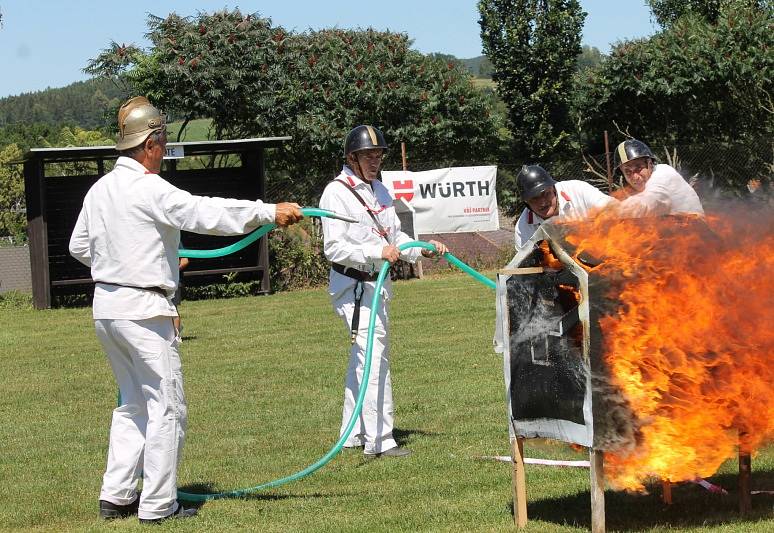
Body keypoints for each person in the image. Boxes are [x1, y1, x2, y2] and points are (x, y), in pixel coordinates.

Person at [68, 96, 303, 523]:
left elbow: (79, 247)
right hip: (144, 308)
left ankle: (117, 495)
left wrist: (128, 261)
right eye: (161, 140)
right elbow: (202, 212)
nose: (162, 148)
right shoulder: (149, 187)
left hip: (107, 309)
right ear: (151, 143)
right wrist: (267, 211)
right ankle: (159, 505)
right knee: (166, 405)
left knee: (133, 404)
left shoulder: (99, 189)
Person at [319, 125, 448, 458]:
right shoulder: (336, 193)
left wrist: (423, 249)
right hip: (354, 288)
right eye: (368, 155)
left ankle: (353, 433)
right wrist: (375, 253)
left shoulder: (381, 190)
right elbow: (334, 248)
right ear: (352, 158)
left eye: (378, 155)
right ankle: (380, 440)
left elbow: (397, 238)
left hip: (377, 285)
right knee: (373, 360)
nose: (375, 161)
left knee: (362, 359)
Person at [514, 165, 616, 248]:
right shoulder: (523, 228)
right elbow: (525, 263)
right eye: (534, 199)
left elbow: (613, 208)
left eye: (546, 194)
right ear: (526, 203)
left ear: (553, 188)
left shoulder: (578, 190)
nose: (542, 202)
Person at [615, 139, 705, 217]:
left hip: (695, 231)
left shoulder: (663, 173)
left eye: (638, 168)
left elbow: (650, 201)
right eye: (628, 172)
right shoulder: (640, 191)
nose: (635, 177)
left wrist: (610, 211)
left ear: (650, 164)